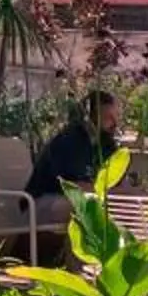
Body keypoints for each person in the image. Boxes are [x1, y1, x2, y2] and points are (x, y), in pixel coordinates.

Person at [26, 89, 120, 237]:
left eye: (116, 116)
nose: (115, 123)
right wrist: (113, 194)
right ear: (91, 117)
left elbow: (121, 184)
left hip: (91, 199)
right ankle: (78, 259)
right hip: (44, 202)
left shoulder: (107, 144)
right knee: (86, 208)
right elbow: (74, 188)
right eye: (109, 117)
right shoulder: (70, 141)